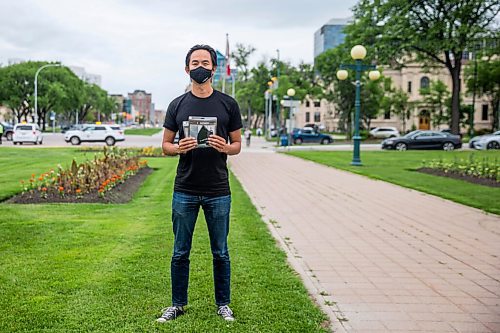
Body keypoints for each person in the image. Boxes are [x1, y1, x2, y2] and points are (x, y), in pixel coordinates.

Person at [159, 44, 242, 323]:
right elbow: (165, 146)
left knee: (220, 251)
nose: (200, 66)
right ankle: (177, 304)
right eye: (195, 62)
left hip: (218, 190)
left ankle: (223, 305)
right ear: (186, 68)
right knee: (180, 251)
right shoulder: (177, 105)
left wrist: (225, 147)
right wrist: (179, 148)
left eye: (205, 62)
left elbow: (238, 145)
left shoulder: (228, 104)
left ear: (214, 68)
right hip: (185, 189)